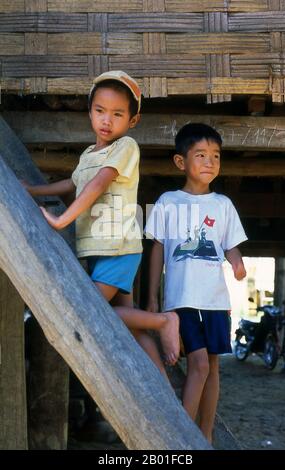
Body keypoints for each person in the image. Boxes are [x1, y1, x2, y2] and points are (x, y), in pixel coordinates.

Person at [23, 70, 179, 374]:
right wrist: (32, 189)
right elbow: (74, 183)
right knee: (131, 323)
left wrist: (61, 220)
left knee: (91, 309)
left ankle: (164, 320)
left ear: (132, 121)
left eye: (117, 114)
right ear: (90, 112)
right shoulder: (87, 154)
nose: (107, 120)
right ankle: (163, 389)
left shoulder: (125, 147)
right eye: (100, 111)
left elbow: (96, 185)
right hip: (101, 250)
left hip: (117, 247)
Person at [145, 122, 247, 442]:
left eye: (215, 156)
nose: (209, 162)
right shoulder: (167, 201)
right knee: (199, 364)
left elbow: (230, 243)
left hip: (215, 299)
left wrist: (237, 261)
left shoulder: (223, 205)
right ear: (181, 162)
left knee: (212, 366)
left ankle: (205, 436)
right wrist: (152, 296)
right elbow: (158, 248)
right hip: (181, 299)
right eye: (200, 155)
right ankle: (181, 435)